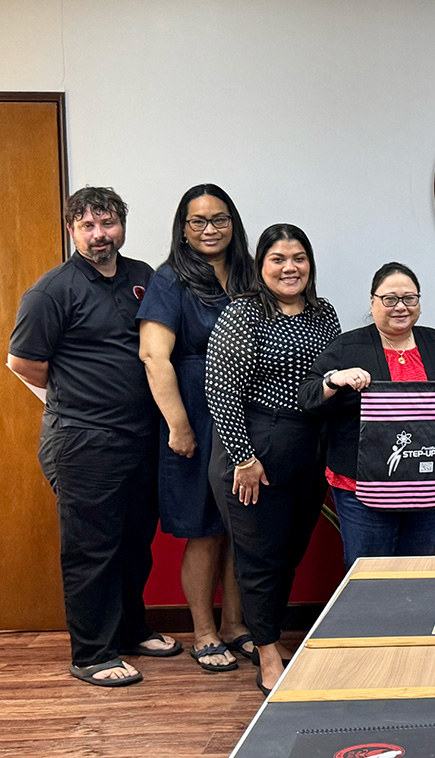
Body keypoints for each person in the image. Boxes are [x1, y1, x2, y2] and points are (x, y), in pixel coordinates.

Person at [7, 186, 180, 687]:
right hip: (83, 440)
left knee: (133, 542)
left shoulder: (143, 277)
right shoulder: (52, 290)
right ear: (72, 230)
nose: (100, 235)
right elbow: (23, 362)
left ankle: (130, 629)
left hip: (140, 437)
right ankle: (92, 653)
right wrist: (82, 394)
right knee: (92, 548)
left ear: (121, 225)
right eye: (88, 226)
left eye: (108, 224)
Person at [205, 223, 340, 695]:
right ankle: (266, 654)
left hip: (309, 451)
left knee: (287, 557)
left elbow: (333, 381)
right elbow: (221, 390)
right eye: (278, 259)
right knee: (260, 558)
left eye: (298, 257)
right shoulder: (244, 313)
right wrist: (244, 458)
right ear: (261, 265)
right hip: (255, 451)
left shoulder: (325, 314)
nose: (290, 267)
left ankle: (270, 637)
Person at [137, 184, 256, 673]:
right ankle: (205, 633)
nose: (210, 230)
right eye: (198, 221)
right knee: (205, 530)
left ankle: (235, 626)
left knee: (240, 529)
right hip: (195, 415)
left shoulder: (250, 272)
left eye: (220, 219)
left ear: (234, 223)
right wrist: (179, 426)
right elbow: (152, 355)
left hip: (248, 417)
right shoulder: (170, 280)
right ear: (182, 229)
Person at [298, 262, 435, 569]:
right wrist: (334, 379)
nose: (400, 307)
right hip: (362, 487)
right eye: (390, 298)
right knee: (368, 574)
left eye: (410, 298)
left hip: (428, 484)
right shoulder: (347, 346)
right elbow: (307, 396)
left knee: (419, 570)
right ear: (372, 302)